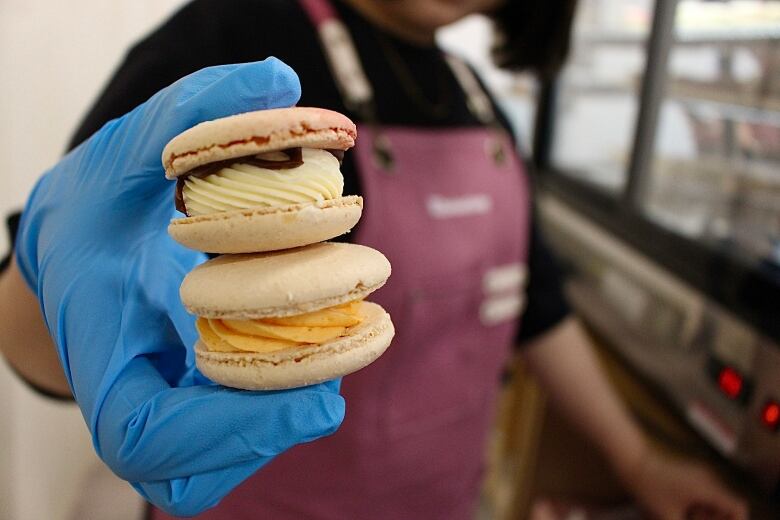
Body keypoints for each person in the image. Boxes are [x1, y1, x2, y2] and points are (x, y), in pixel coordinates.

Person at [0, 1, 748, 519]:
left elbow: (533, 303)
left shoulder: (477, 97)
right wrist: (40, 283)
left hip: (445, 501)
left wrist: (637, 462)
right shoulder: (229, 31)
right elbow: (61, 314)